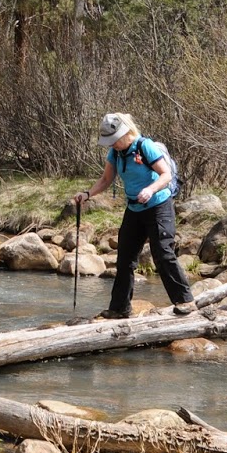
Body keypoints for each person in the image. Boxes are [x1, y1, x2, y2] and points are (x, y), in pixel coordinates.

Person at [73, 112, 195, 319]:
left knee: (163, 254)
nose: (112, 145)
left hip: (158, 206)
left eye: (114, 140)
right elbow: (105, 179)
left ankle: (185, 301)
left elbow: (166, 175)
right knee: (125, 259)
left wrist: (151, 189)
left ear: (125, 133)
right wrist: (87, 194)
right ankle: (120, 309)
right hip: (134, 209)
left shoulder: (144, 146)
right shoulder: (115, 153)